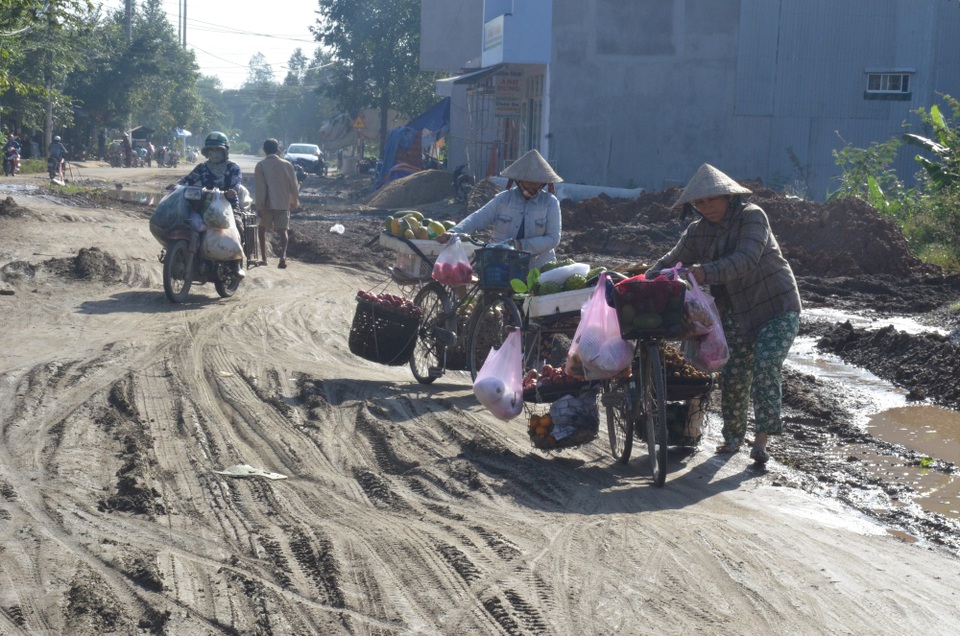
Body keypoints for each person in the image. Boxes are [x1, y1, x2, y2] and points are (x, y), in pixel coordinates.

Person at [646, 163, 802, 464]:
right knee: (733, 375)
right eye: (700, 203)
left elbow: (744, 259)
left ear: (729, 196)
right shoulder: (697, 232)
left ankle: (761, 441)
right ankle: (732, 439)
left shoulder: (752, 217)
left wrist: (704, 272)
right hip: (735, 313)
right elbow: (670, 260)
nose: (706, 207)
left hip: (776, 306)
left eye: (712, 199)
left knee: (767, 363)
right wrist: (645, 280)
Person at [438, 149, 562, 270]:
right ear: (518, 180)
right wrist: (455, 231)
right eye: (528, 182)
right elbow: (477, 218)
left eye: (536, 183)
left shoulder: (550, 203)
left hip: (539, 267)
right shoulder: (503, 199)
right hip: (505, 265)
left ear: (543, 183)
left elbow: (553, 238)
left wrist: (521, 245)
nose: (532, 186)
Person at [177, 131, 246, 278]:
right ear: (206, 152)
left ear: (224, 151)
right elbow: (188, 180)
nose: (214, 153)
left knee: (238, 226)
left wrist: (231, 191)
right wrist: (176, 186)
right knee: (181, 221)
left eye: (217, 149)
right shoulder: (201, 168)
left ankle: (236, 263)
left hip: (227, 207)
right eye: (211, 150)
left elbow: (236, 183)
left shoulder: (233, 168)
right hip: (202, 205)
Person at [254, 138, 300, 269]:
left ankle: (264, 258)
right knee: (283, 231)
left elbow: (260, 188)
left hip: (267, 204)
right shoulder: (287, 165)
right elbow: (294, 186)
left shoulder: (261, 165)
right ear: (278, 150)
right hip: (283, 203)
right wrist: (294, 200)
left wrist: (259, 206)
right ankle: (283, 256)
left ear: (264, 150)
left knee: (262, 230)